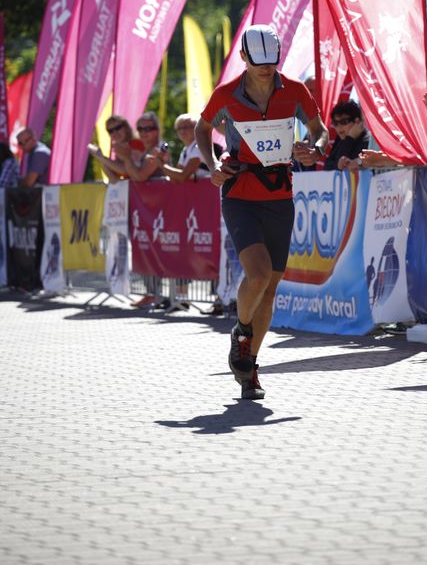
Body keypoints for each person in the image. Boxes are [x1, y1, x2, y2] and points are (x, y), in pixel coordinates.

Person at [195, 24, 329, 400]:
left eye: (273, 61)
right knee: (257, 274)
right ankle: (241, 332)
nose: (267, 68)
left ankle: (249, 368)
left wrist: (315, 149)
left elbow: (319, 129)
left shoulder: (295, 90)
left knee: (270, 290)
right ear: (244, 58)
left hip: (279, 194)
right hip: (239, 193)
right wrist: (212, 166)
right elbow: (202, 129)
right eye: (259, 62)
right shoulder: (226, 94)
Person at [113, 111, 167, 182]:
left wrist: (127, 158)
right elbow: (131, 176)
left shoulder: (161, 148)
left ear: (157, 130)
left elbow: (140, 178)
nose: (143, 132)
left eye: (147, 129)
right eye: (140, 129)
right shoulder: (146, 150)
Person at [88, 115, 144, 183]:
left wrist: (101, 157)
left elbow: (126, 170)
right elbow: (114, 179)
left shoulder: (137, 144)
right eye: (110, 131)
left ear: (126, 128)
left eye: (118, 128)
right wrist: (100, 156)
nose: (115, 133)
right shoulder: (119, 149)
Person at [324, 99, 369, 170]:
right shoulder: (339, 141)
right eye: (335, 123)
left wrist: (349, 139)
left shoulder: (368, 141)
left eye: (344, 122)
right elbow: (327, 168)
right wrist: (350, 139)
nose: (339, 127)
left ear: (357, 121)